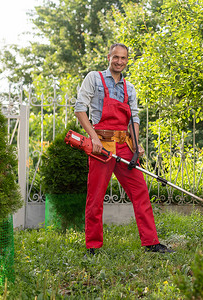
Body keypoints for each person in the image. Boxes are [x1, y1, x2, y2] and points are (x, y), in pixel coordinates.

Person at [74, 43, 173, 255]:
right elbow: (80, 109)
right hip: (102, 145)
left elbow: (133, 118)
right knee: (95, 196)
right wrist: (94, 138)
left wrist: (137, 143)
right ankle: (93, 246)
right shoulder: (94, 78)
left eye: (123, 58)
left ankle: (151, 242)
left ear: (127, 60)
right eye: (116, 57)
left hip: (124, 145)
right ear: (108, 57)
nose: (119, 61)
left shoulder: (129, 88)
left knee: (140, 192)